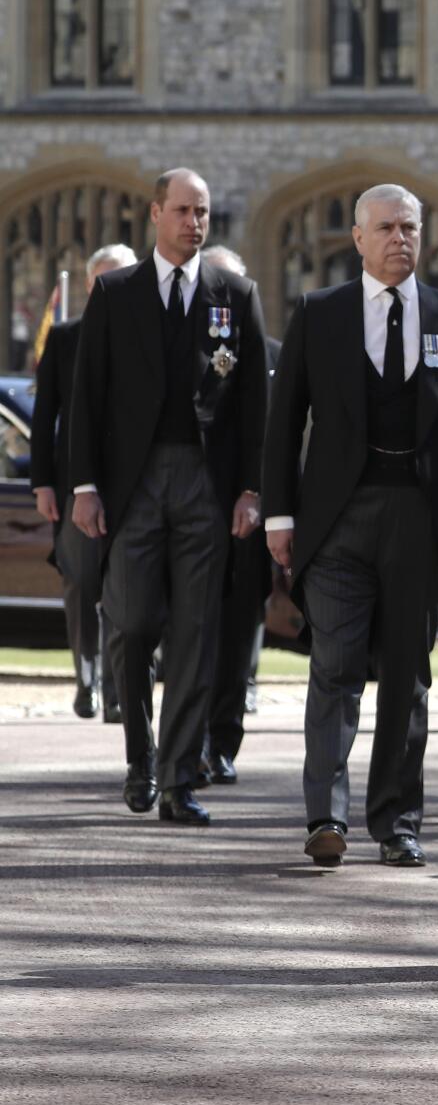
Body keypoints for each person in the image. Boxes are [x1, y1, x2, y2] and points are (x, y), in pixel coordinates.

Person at [265, 184, 438, 867]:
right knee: (335, 667)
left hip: (420, 516)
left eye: (410, 227)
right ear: (358, 237)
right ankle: (326, 813)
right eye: (387, 227)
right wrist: (279, 513)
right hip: (337, 517)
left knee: (409, 676)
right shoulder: (320, 314)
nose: (400, 238)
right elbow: (284, 424)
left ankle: (398, 820)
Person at [68, 169, 269, 825]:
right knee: (131, 621)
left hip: (205, 485)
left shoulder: (234, 293)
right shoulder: (115, 291)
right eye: (181, 210)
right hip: (134, 482)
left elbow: (252, 406)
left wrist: (250, 489)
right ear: (155, 214)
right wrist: (85, 485)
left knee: (196, 632)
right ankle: (140, 756)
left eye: (203, 211)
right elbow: (87, 395)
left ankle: (181, 777)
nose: (193, 222)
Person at [31, 242, 138, 723]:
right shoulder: (66, 337)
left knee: (123, 587)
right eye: (104, 280)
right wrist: (42, 485)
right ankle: (87, 679)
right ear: (92, 284)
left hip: (131, 485)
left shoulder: (145, 336)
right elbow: (45, 416)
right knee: (79, 581)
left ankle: (117, 689)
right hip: (73, 482)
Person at [196, 244, 278, 787]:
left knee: (234, 636)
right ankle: (183, 741)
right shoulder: (181, 352)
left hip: (246, 516)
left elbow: (283, 438)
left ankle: (222, 740)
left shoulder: (273, 352)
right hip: (188, 509)